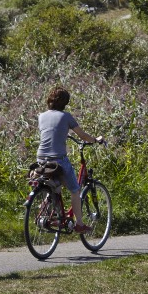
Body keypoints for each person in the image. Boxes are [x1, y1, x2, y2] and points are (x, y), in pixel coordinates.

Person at [37, 85, 103, 233]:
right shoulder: (66, 117)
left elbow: (50, 132)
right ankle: (79, 224)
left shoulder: (41, 116)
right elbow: (83, 136)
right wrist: (95, 139)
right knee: (75, 189)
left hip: (41, 159)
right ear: (65, 103)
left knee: (55, 185)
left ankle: (49, 211)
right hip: (58, 160)